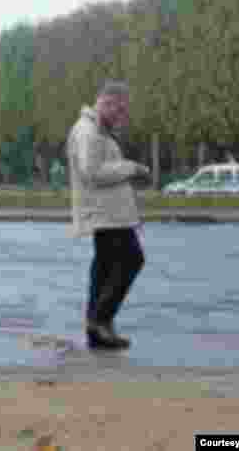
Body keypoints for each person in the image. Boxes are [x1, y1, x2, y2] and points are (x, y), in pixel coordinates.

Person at [66, 79, 150, 350]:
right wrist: (132, 168)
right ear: (105, 102)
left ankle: (97, 328)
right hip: (106, 214)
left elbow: (99, 169)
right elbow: (91, 172)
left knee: (104, 267)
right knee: (131, 259)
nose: (122, 116)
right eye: (119, 110)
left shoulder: (96, 129)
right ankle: (100, 321)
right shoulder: (89, 132)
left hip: (107, 212)